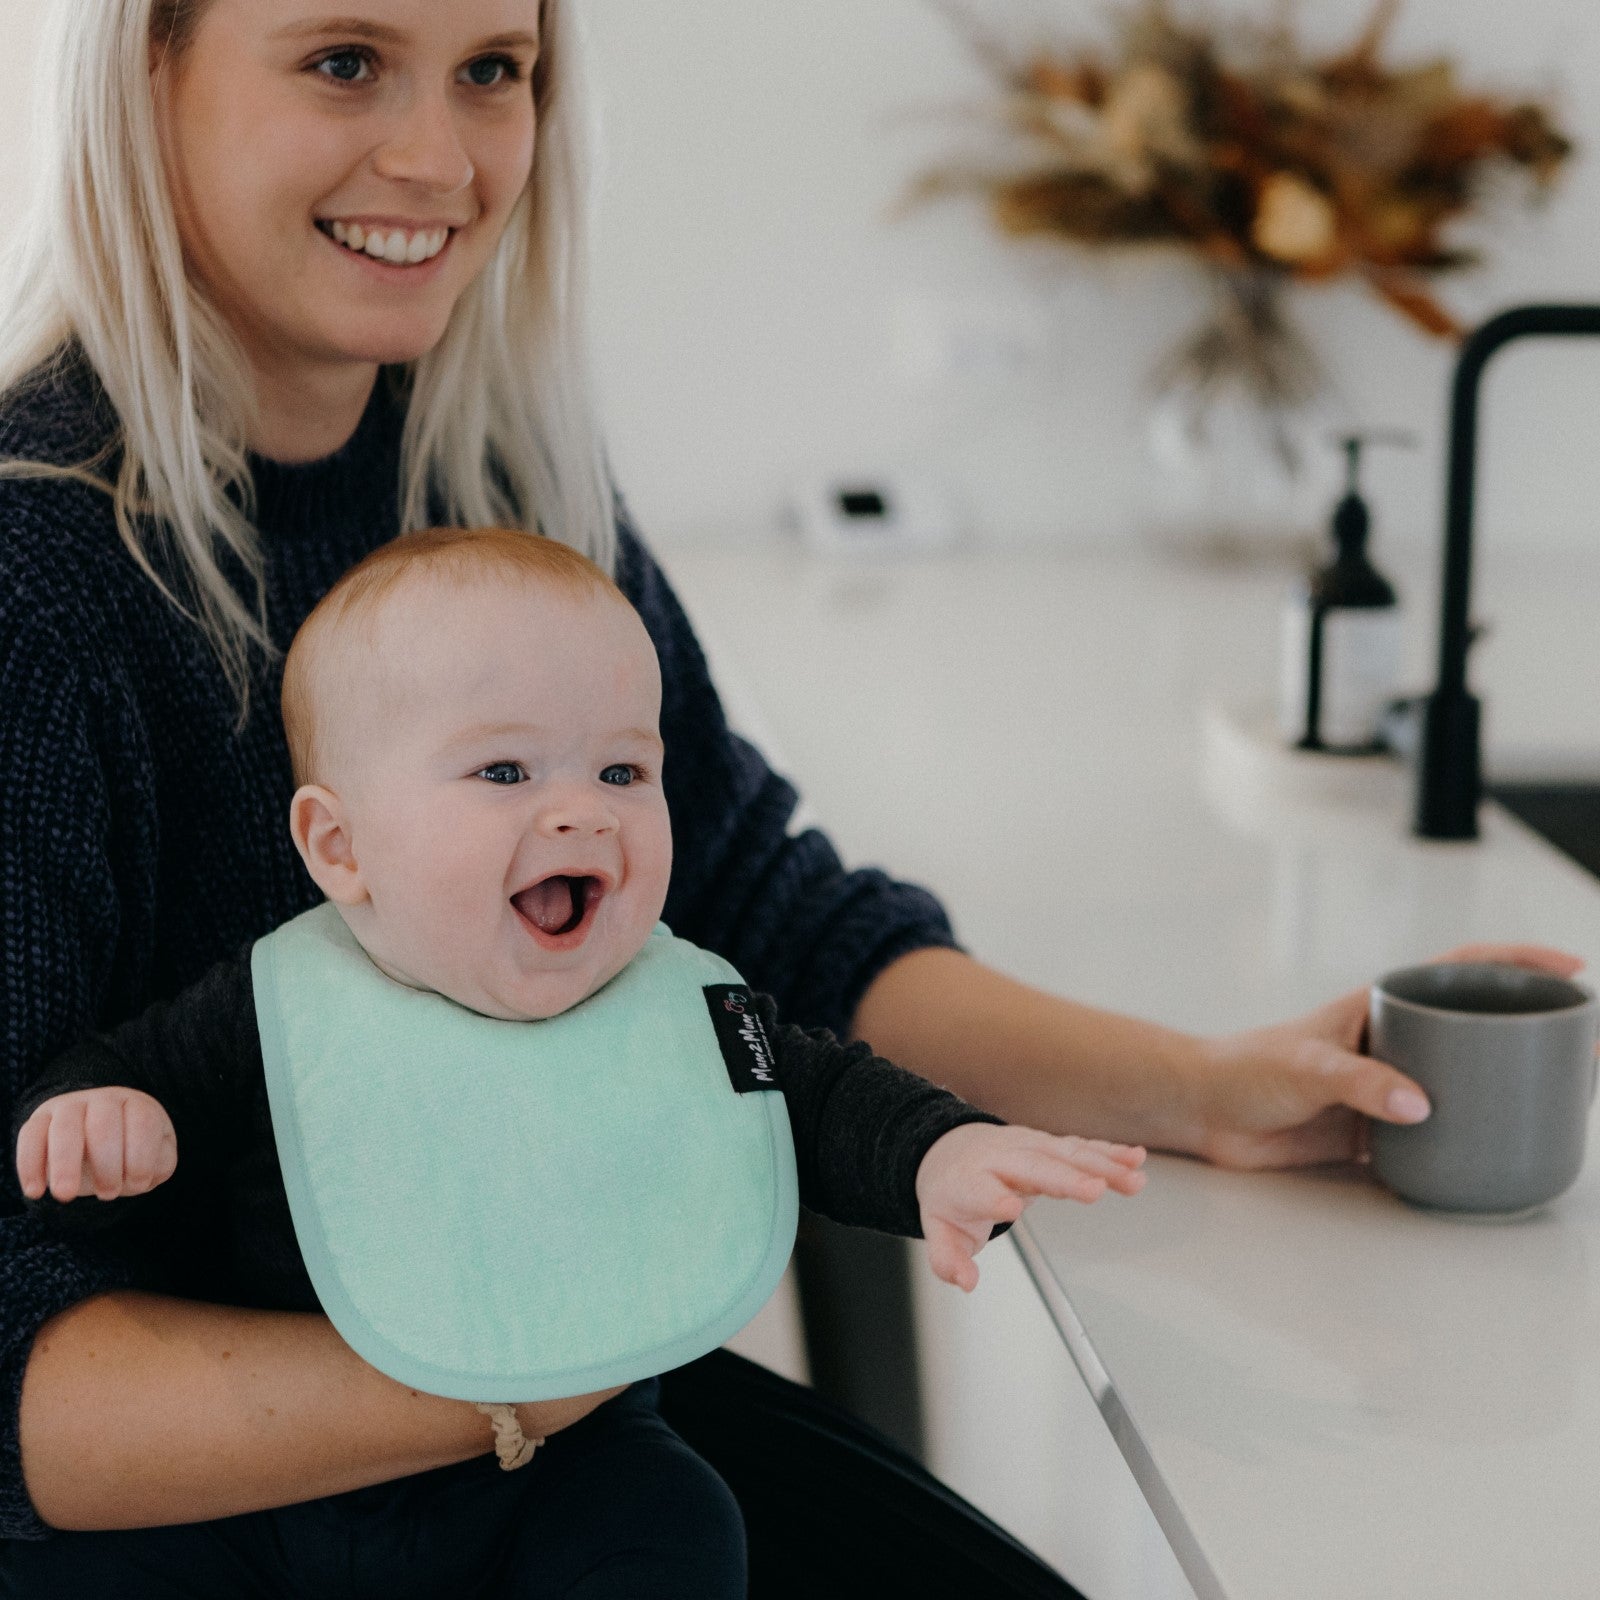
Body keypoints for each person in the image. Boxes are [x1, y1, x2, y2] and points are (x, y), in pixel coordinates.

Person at [0, 0, 1579, 1595]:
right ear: (148, 73)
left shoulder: (490, 479)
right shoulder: (38, 581)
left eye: (495, 70)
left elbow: (767, 932)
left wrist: (1197, 1091)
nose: (438, 157)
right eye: (345, 60)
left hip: (540, 1427)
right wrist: (510, 1387)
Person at [10, 525, 1149, 1596]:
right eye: (504, 772)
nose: (582, 814)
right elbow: (130, 1078)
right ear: (339, 844)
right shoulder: (274, 1005)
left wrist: (935, 1152)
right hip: (280, 1488)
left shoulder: (674, 1008)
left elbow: (808, 1091)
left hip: (560, 1472)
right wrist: (105, 1116)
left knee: (680, 1519)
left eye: (622, 773)